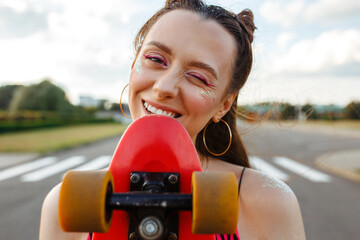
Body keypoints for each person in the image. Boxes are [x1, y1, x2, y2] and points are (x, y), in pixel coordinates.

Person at [39, 0, 306, 239]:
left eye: (199, 77)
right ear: (134, 67)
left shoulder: (269, 203)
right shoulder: (62, 204)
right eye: (155, 59)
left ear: (224, 104)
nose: (164, 87)